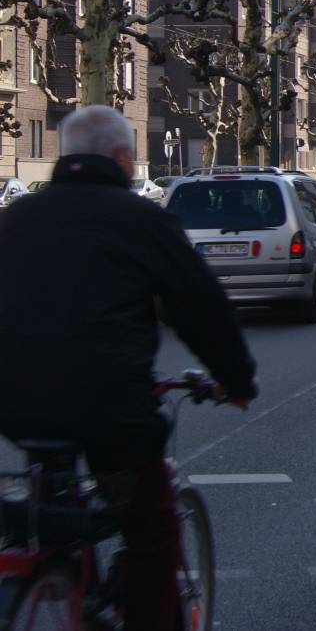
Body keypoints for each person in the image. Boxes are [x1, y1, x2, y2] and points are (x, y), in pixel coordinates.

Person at [0, 106, 258, 631]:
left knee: (47, 516)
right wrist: (236, 381)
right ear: (122, 158)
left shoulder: (13, 221)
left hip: (15, 403)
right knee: (151, 535)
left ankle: (55, 569)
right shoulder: (141, 220)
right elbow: (199, 308)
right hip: (111, 407)